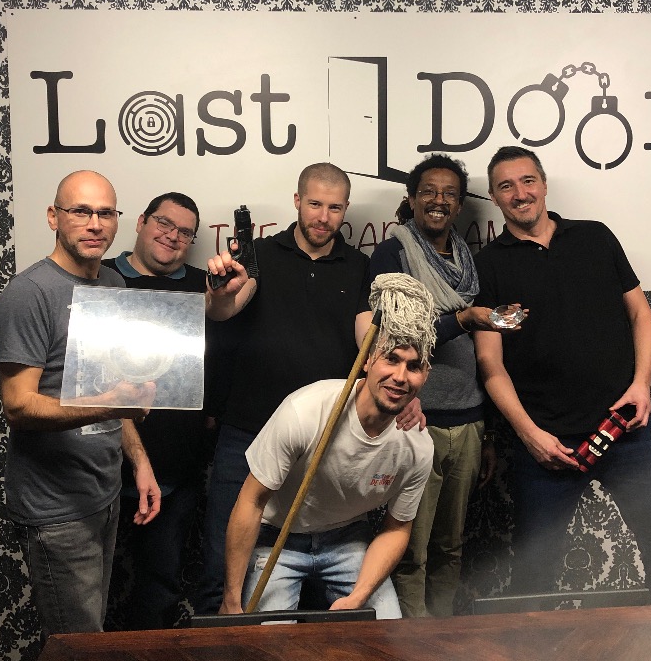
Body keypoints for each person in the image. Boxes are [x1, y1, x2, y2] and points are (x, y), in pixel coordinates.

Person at [197, 162, 423, 614]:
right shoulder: (261, 253)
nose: (323, 217)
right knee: (219, 570)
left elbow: (369, 337)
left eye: (334, 208)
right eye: (315, 204)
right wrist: (220, 292)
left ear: (346, 209)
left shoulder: (358, 266)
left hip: (322, 436)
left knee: (316, 563)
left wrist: (399, 384)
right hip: (247, 429)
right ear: (297, 201)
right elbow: (226, 308)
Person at [473, 146, 651, 603]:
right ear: (494, 197)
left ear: (544, 184)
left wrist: (642, 384)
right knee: (534, 579)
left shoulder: (595, 237)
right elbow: (491, 364)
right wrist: (531, 436)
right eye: (506, 186)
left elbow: (641, 315)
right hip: (548, 445)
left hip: (626, 431)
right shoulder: (489, 264)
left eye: (528, 180)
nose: (520, 193)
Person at [0, 170, 161, 641]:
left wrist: (139, 462)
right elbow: (18, 407)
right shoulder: (29, 294)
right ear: (54, 217)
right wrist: (110, 406)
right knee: (79, 645)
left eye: (105, 213)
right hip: (56, 509)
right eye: (81, 211)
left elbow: (112, 390)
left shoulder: (113, 283)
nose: (95, 224)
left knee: (92, 634)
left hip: (103, 494)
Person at [219, 274, 436, 618]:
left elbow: (397, 528)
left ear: (425, 375)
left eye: (414, 367)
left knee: (387, 633)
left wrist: (359, 596)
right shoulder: (305, 411)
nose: (400, 376)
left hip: (348, 538)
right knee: (266, 643)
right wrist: (231, 600)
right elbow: (252, 500)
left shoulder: (418, 446)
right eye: (391, 359)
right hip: (279, 537)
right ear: (367, 360)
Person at [369, 153, 502, 617]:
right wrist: (462, 319)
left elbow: (483, 354)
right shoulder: (393, 253)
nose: (438, 200)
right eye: (428, 191)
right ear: (411, 199)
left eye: (449, 193)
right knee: (410, 547)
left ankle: (441, 633)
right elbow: (394, 334)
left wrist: (487, 429)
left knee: (450, 546)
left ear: (460, 204)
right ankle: (411, 640)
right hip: (415, 419)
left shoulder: (468, 261)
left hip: (468, 422)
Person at [102, 192, 210, 630]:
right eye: (164, 223)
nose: (172, 236)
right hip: (101, 469)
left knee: (161, 586)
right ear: (141, 221)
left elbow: (236, 307)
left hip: (175, 471)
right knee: (89, 588)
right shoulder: (100, 277)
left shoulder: (204, 287)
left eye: (185, 232)